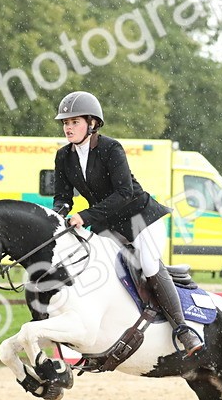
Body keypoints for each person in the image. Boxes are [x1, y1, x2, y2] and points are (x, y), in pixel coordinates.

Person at [51, 90, 204, 357]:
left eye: (74, 122)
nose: (68, 127)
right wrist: (57, 217)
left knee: (148, 263)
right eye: (65, 122)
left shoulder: (111, 149)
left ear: (92, 123)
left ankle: (183, 329)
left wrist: (85, 216)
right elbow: (62, 198)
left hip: (140, 218)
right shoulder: (64, 156)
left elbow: (124, 193)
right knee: (96, 268)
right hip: (107, 226)